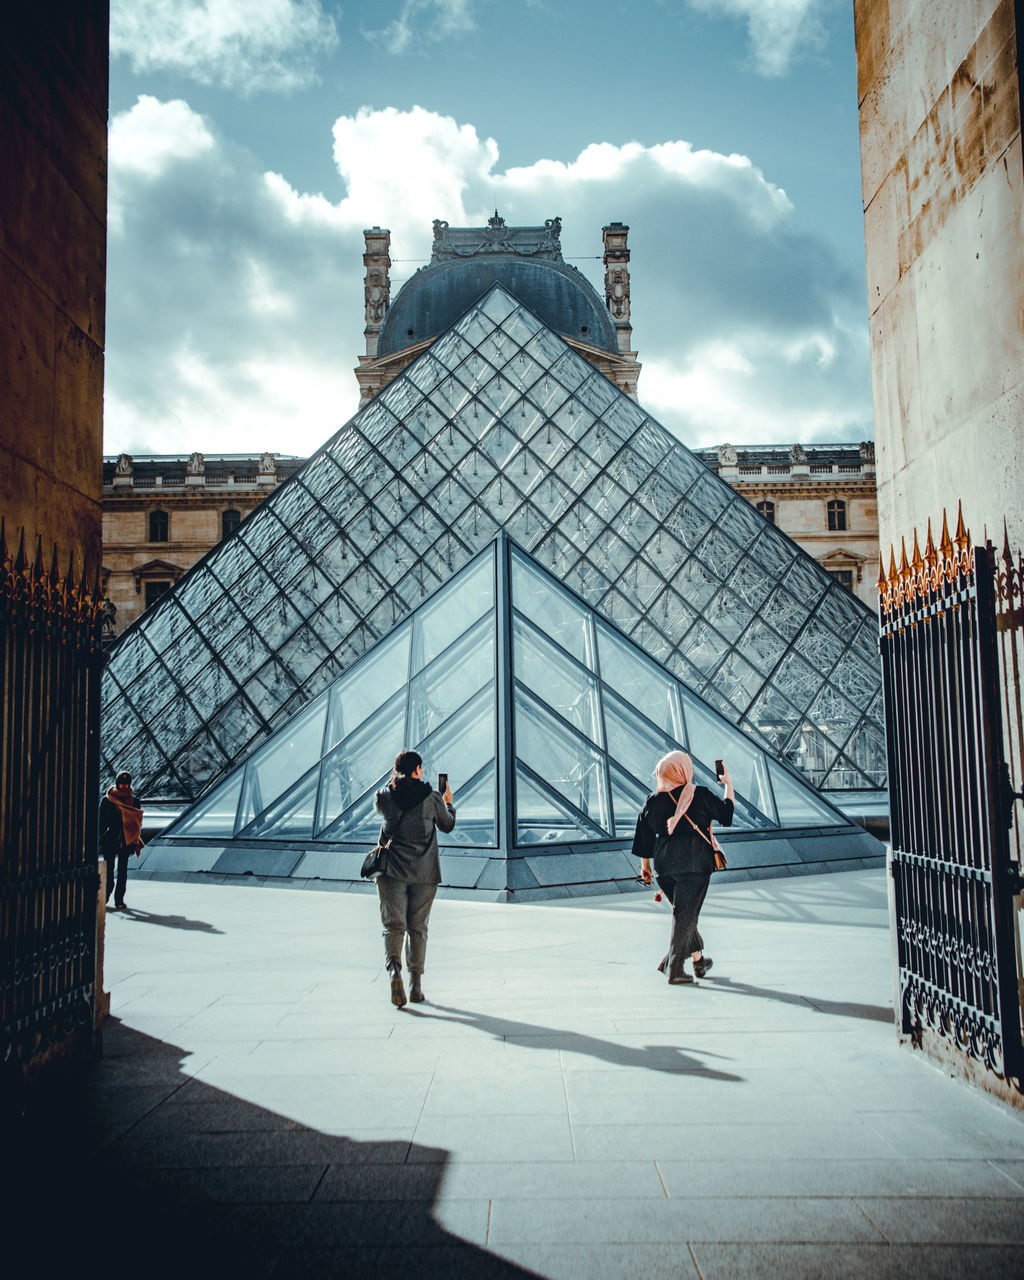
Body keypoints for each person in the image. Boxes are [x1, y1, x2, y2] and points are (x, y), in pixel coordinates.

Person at [631, 750, 734, 985]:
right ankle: (674, 968)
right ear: (684, 770)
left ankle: (698, 960)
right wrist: (728, 784)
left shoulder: (653, 801)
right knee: (685, 915)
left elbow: (643, 838)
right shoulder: (699, 795)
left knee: (685, 914)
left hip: (664, 867)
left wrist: (645, 868)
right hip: (695, 864)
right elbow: (726, 815)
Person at [375, 750, 455, 1008]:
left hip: (391, 873)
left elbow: (381, 804)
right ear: (418, 770)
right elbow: (447, 825)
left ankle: (393, 971)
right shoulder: (432, 798)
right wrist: (448, 802)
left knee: (393, 925)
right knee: (417, 928)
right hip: (424, 872)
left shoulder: (385, 796)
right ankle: (415, 985)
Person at [99, 771, 144, 910]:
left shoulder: (135, 801)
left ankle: (119, 900)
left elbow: (136, 823)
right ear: (117, 783)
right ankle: (105, 896)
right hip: (110, 839)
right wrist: (100, 837)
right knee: (109, 871)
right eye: (121, 784)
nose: (124, 787)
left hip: (126, 839)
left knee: (123, 872)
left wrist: (135, 839)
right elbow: (101, 821)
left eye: (126, 784)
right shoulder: (107, 800)